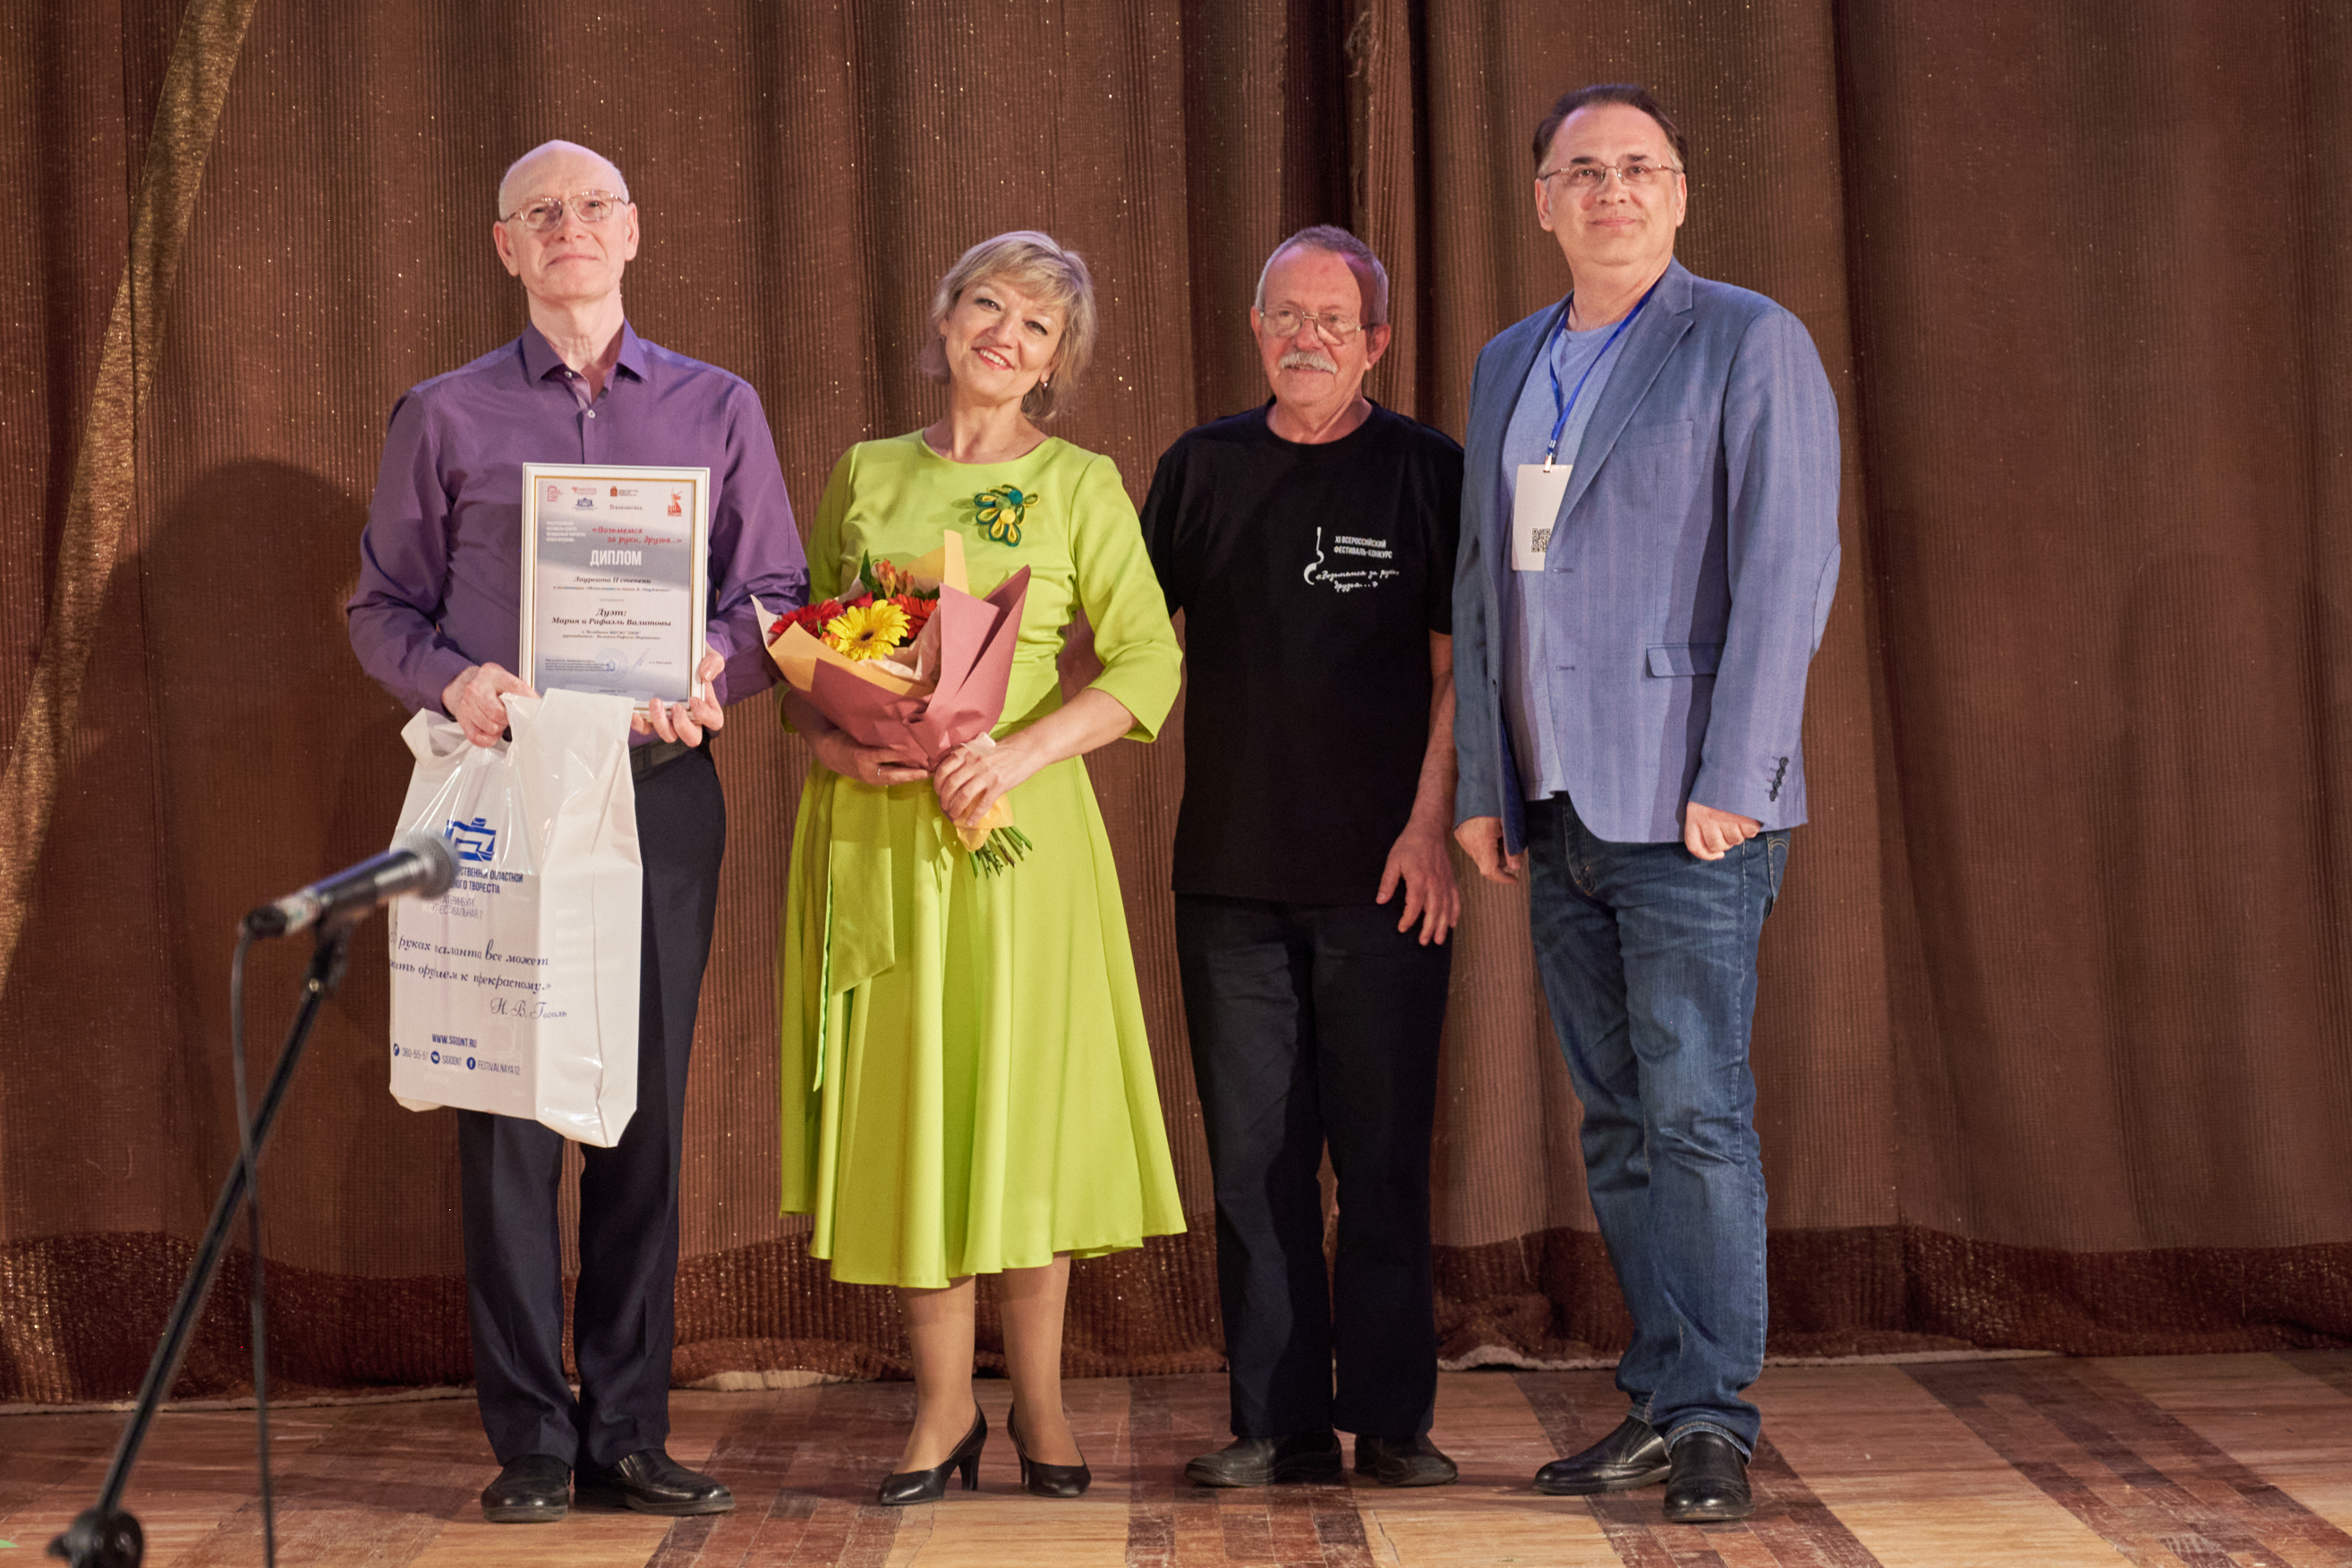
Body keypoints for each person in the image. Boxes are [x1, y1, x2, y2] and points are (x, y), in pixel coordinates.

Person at [347, 140, 806, 1524]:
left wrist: (714, 666)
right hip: (505, 791)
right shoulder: (444, 414)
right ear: (506, 247)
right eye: (540, 212)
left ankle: (628, 1431)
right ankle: (532, 1440)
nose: (569, 227)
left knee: (643, 1110)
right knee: (506, 1117)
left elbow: (775, 594)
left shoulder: (719, 406)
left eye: (593, 206)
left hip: (657, 791)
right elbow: (382, 610)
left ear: (634, 231)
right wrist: (458, 686)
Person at [1451, 85, 1841, 1523]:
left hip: (1690, 810)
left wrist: (1739, 779)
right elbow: (1486, 582)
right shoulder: (1509, 360)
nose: (1611, 189)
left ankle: (1713, 1418)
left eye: (1639, 167)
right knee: (1616, 1122)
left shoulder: (1746, 336)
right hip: (1557, 804)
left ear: (1678, 194)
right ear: (1543, 201)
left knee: (1694, 1115)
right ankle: (1664, 1398)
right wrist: (1487, 780)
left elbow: (1790, 565)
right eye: (1583, 170)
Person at [775, 231, 1185, 1506]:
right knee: (919, 1117)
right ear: (946, 319)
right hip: (882, 843)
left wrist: (1018, 753)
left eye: (1038, 325)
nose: (1007, 335)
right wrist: (839, 747)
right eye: (989, 306)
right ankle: (942, 1409)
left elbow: (1148, 661)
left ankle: (1043, 1404)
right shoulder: (867, 473)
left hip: (1021, 844)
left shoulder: (1079, 483)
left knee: (1019, 1113)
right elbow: (805, 664)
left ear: (1058, 362)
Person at [1139, 226, 1464, 1490]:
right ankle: (1275, 1423)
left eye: (1334, 321)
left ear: (1375, 340)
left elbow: (1457, 672)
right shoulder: (1200, 468)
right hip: (1230, 878)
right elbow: (1121, 641)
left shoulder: (1426, 471)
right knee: (1254, 1165)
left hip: (1390, 879)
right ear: (1257, 329)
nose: (1307, 340)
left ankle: (1392, 1421)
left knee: (1380, 1161)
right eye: (1287, 316)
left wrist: (1430, 828)